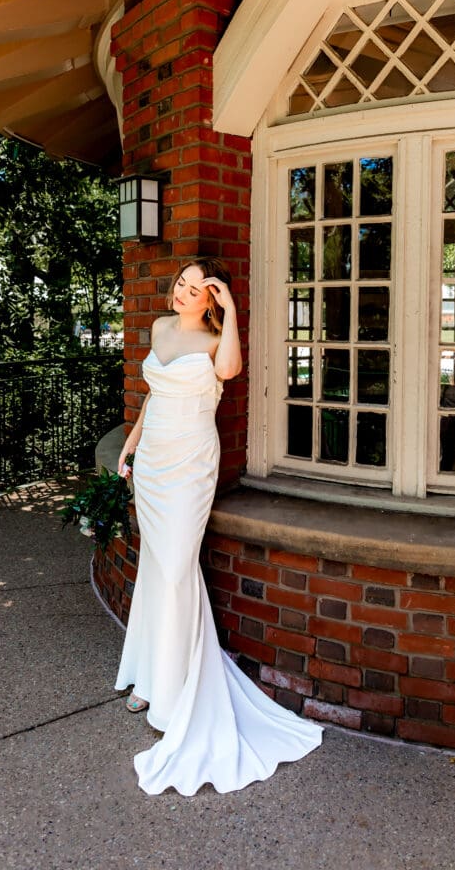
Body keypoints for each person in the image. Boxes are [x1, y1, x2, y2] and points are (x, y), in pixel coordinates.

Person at [115, 257, 323, 795]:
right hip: (155, 462)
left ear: (211, 299)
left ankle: (179, 688)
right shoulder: (160, 328)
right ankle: (148, 674)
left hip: (189, 464)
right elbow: (152, 397)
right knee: (157, 564)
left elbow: (229, 371)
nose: (183, 293)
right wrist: (132, 446)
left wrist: (230, 312)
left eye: (196, 288)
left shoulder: (214, 340)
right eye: (180, 284)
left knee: (179, 567)